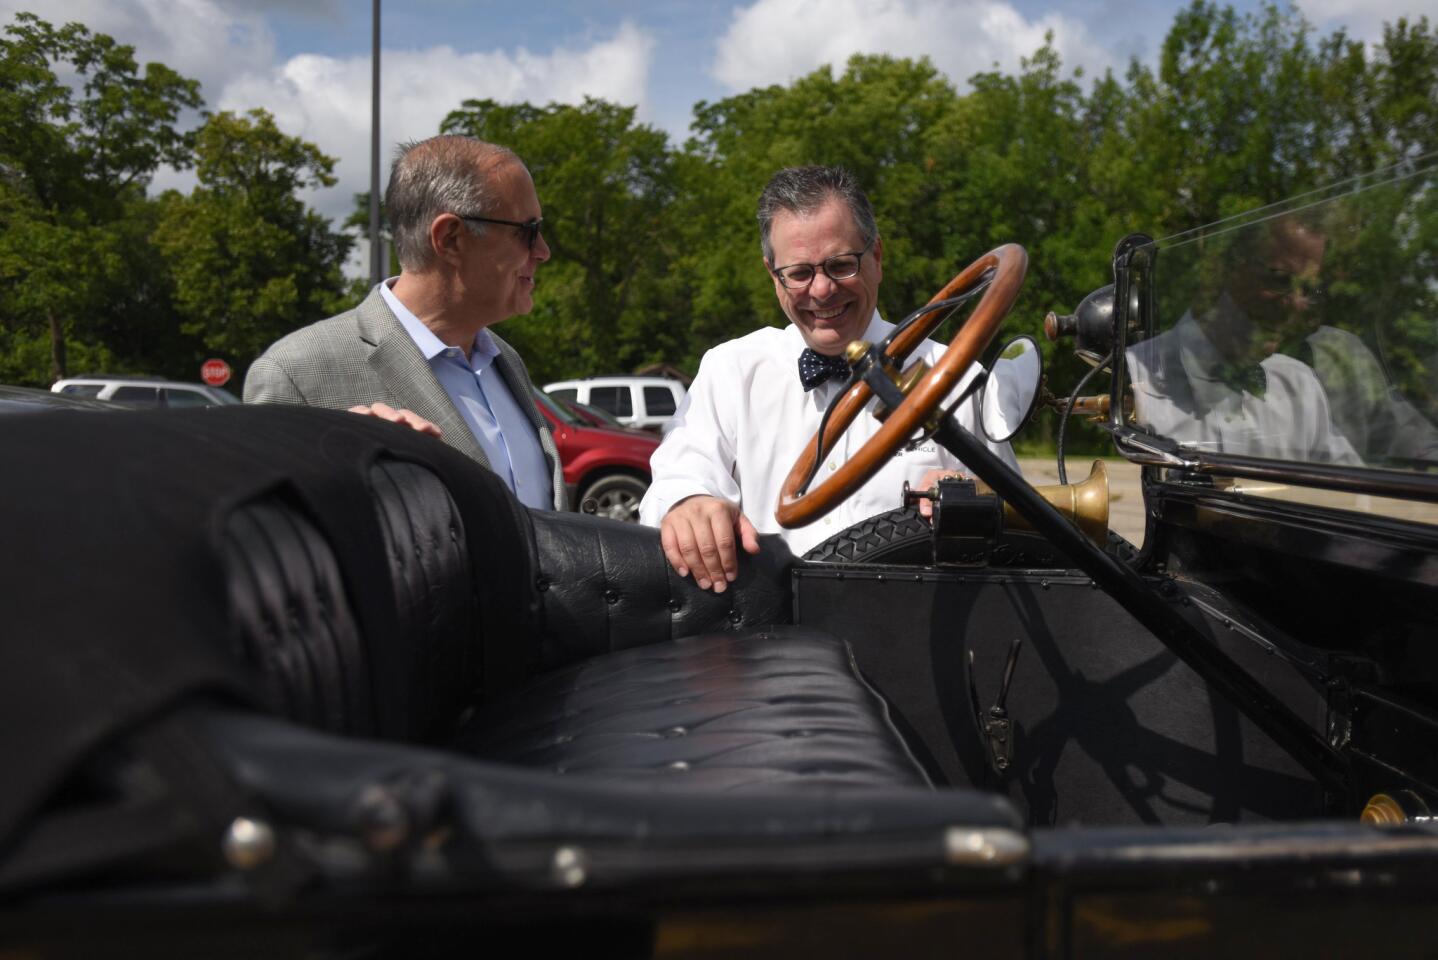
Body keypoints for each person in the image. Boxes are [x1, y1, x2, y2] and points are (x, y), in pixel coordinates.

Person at [639, 165, 1019, 592]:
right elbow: (672, 482)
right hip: (768, 644)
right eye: (799, 273)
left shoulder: (959, 377)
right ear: (773, 276)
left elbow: (1020, 529)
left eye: (840, 265)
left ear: (876, 258)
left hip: (916, 631)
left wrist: (974, 500)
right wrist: (689, 503)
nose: (821, 290)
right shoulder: (730, 370)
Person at [245, 135, 564, 510]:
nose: (543, 251)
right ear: (451, 239)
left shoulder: (503, 359)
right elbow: (274, 545)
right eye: (526, 232)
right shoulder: (296, 375)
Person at [1125, 216, 1360, 465]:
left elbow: (1360, 498)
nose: (1296, 303)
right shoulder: (1132, 377)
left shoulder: (1301, 387)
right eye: (1280, 279)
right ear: (1225, 270)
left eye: (1309, 290)